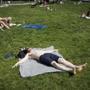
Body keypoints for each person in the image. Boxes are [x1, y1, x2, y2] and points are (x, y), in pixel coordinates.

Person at [12, 48, 87, 75]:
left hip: (48, 54)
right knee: (55, 64)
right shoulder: (29, 54)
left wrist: (53, 50)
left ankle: (77, 66)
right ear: (26, 51)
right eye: (28, 48)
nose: (30, 48)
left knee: (62, 60)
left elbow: (45, 50)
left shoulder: (36, 49)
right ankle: (71, 70)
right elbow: (24, 59)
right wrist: (17, 63)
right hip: (42, 58)